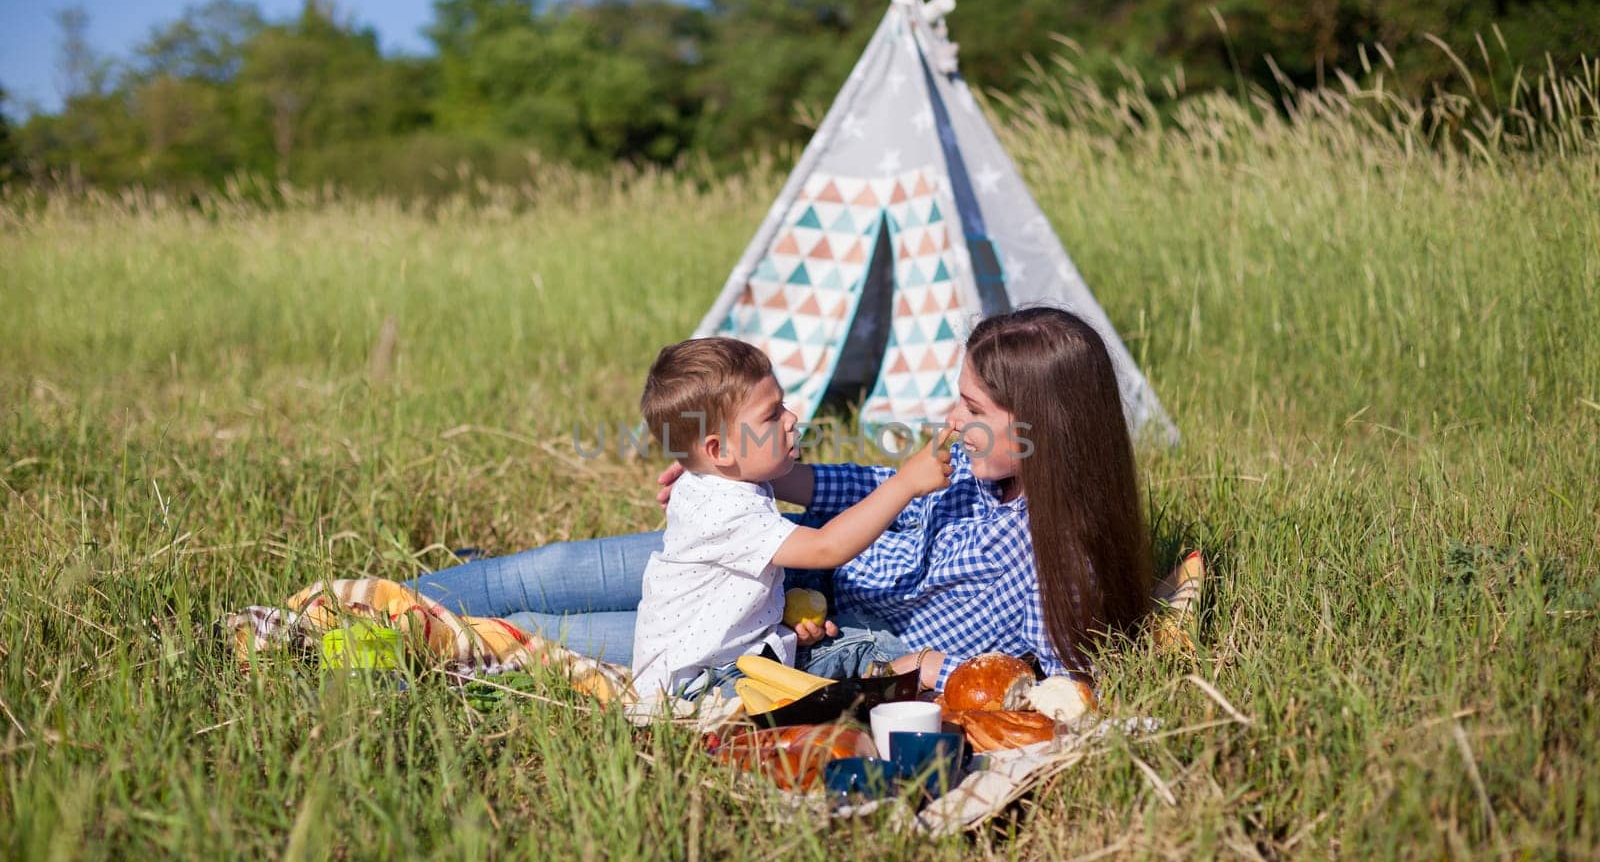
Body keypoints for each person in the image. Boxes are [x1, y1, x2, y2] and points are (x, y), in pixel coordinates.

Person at [409, 306, 1150, 692]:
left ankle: (397, 631)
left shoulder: (1059, 562)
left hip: (795, 629)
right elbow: (875, 492)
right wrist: (757, 481)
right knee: (550, 567)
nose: (953, 420)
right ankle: (383, 599)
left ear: (1043, 429)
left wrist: (922, 667)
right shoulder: (981, 467)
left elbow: (1046, 684)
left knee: (550, 632)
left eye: (972, 409)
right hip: (778, 548)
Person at [627, 337, 952, 699]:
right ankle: (898, 693)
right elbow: (826, 548)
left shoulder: (722, 478)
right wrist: (905, 483)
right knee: (864, 649)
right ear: (719, 450)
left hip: (726, 657)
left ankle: (883, 687)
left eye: (782, 404)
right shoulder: (726, 507)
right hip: (707, 683)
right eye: (772, 414)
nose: (791, 418)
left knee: (860, 638)